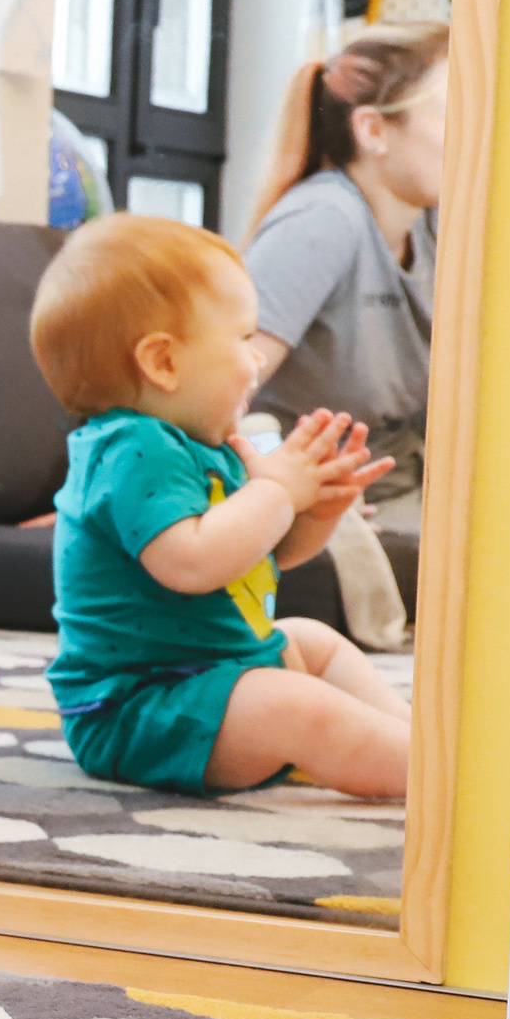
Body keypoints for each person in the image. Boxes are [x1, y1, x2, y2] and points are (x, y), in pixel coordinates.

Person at [33, 213, 408, 799]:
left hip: (211, 677)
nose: (257, 359)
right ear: (163, 363)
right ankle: (442, 781)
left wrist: (315, 511)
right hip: (139, 709)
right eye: (242, 339)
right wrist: (277, 490)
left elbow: (265, 558)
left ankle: (417, 741)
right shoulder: (129, 448)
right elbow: (193, 564)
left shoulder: (203, 445)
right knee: (295, 704)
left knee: (311, 638)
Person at [245, 23, 448, 532]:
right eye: (450, 113)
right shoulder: (322, 221)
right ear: (374, 131)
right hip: (317, 507)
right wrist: (278, 484)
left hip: (400, 492)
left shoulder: (436, 226)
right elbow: (219, 388)